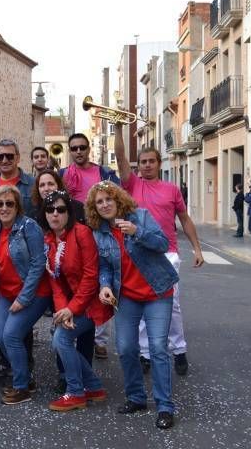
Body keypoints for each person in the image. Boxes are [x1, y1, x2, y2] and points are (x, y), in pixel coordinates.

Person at [85, 181, 179, 429]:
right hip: (126, 296)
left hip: (157, 291)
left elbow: (162, 244)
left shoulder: (141, 216)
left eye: (109, 199)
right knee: (126, 348)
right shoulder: (99, 231)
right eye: (99, 202)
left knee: (158, 348)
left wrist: (137, 232)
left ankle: (165, 406)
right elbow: (104, 265)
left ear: (118, 200)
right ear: (95, 208)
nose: (105, 205)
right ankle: (136, 397)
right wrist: (104, 285)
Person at [114, 128, 204, 376]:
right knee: (142, 304)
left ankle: (179, 350)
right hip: (139, 253)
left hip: (168, 253)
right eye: (142, 162)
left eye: (151, 161)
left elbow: (184, 220)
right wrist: (120, 128)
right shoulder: (131, 184)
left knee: (171, 304)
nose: (147, 166)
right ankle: (145, 354)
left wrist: (197, 249)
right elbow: (121, 159)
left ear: (159, 163)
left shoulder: (172, 189)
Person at [40, 191, 113, 412]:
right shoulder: (50, 240)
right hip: (73, 306)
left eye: (61, 210)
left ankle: (75, 392)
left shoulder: (82, 233)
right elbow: (55, 281)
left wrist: (72, 309)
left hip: (92, 304)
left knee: (61, 339)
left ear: (69, 213)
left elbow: (91, 277)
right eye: (50, 210)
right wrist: (63, 310)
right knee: (59, 336)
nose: (55, 214)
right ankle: (92, 386)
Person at [0, 185, 48, 405]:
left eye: (9, 203)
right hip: (5, 292)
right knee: (1, 337)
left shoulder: (29, 227)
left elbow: (39, 264)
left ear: (18, 206)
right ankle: (25, 376)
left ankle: (22, 387)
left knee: (11, 336)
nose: (4, 208)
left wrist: (23, 298)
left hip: (32, 292)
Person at [0, 139, 35, 219]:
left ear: (18, 158)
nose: (4, 160)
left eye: (9, 156)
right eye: (0, 157)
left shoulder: (33, 185)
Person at [59, 133, 120, 203]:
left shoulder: (105, 172)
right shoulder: (62, 174)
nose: (78, 151)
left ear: (88, 149)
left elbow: (118, 196)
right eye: (74, 149)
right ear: (70, 151)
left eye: (82, 148)